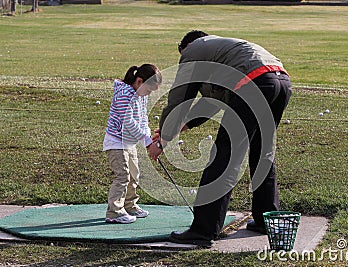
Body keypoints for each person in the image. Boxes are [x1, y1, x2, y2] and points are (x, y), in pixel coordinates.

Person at [147, 30, 292, 247]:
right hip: (280, 82)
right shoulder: (224, 53)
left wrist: (163, 139)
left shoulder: (193, 51)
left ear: (186, 46)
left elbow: (179, 98)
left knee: (224, 156)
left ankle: (203, 230)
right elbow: (212, 102)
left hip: (254, 85)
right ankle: (266, 218)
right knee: (263, 152)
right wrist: (182, 125)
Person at [103, 64, 162, 224]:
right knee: (123, 176)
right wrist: (147, 141)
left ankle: (129, 205)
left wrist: (148, 138)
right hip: (116, 142)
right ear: (139, 81)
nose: (148, 94)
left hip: (129, 142)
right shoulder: (124, 94)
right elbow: (127, 121)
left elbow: (142, 119)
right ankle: (114, 211)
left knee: (134, 175)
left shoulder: (141, 94)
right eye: (149, 90)